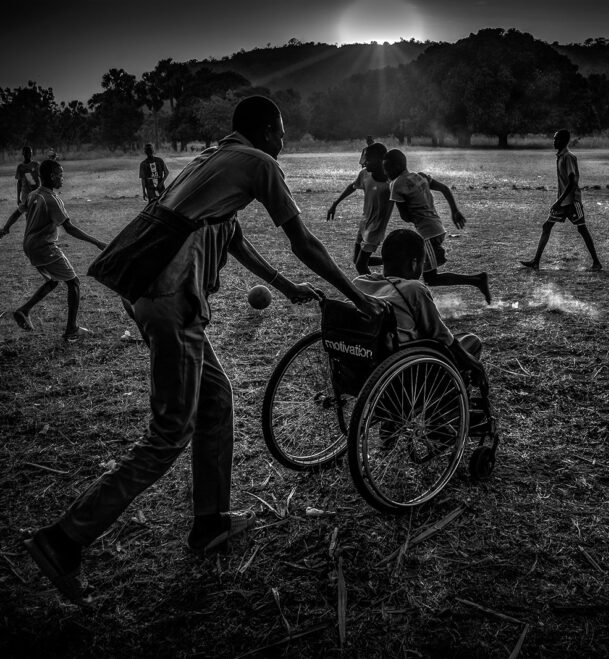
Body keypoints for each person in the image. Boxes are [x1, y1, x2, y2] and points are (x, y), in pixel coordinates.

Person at [23, 96, 382, 606]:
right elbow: (302, 241)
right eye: (281, 132)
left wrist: (285, 287)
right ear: (265, 130)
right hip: (171, 297)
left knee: (215, 399)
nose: (283, 142)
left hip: (152, 294)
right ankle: (64, 539)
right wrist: (357, 297)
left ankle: (210, 521)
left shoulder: (212, 159)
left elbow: (231, 236)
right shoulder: (259, 163)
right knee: (169, 432)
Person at [353, 228, 485, 381]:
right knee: (471, 341)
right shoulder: (413, 289)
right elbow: (443, 336)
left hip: (363, 367)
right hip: (405, 371)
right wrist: (471, 361)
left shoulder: (359, 283)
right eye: (423, 263)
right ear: (414, 263)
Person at [0, 159, 106, 340]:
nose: (62, 178)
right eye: (60, 175)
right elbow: (69, 228)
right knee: (74, 283)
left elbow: (18, 211)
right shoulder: (52, 199)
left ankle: (24, 310)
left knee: (52, 280)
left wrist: (5, 228)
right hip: (44, 247)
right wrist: (97, 242)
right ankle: (71, 329)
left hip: (29, 245)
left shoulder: (33, 194)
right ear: (52, 176)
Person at [381, 148, 491, 304]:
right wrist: (454, 211)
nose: (385, 172)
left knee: (430, 278)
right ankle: (476, 280)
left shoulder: (396, 184)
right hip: (436, 228)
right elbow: (444, 189)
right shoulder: (420, 176)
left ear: (396, 167)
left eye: (386, 169)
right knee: (423, 272)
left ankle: (477, 280)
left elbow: (405, 217)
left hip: (427, 234)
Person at [520, 129, 602, 271]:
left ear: (564, 141)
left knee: (582, 229)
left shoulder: (568, 157)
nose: (554, 141)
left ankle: (596, 263)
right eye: (554, 139)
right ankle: (535, 262)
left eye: (557, 139)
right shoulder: (560, 156)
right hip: (563, 201)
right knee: (547, 226)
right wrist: (559, 201)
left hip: (572, 201)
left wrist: (558, 201)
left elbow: (572, 182)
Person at [326, 141, 394, 275]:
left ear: (379, 160)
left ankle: (374, 286)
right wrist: (335, 203)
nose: (363, 163)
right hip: (364, 223)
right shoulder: (364, 174)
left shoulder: (391, 181)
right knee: (357, 260)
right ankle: (392, 260)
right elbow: (352, 186)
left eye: (367, 159)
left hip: (376, 228)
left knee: (360, 266)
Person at [1, 146, 39, 234]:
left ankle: (6, 228)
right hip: (26, 194)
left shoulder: (36, 165)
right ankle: (7, 229)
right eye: (26, 152)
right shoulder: (21, 167)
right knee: (24, 212)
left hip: (35, 193)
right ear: (23, 154)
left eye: (29, 152)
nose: (28, 154)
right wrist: (18, 197)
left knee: (23, 212)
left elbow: (41, 178)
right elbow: (19, 183)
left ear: (31, 153)